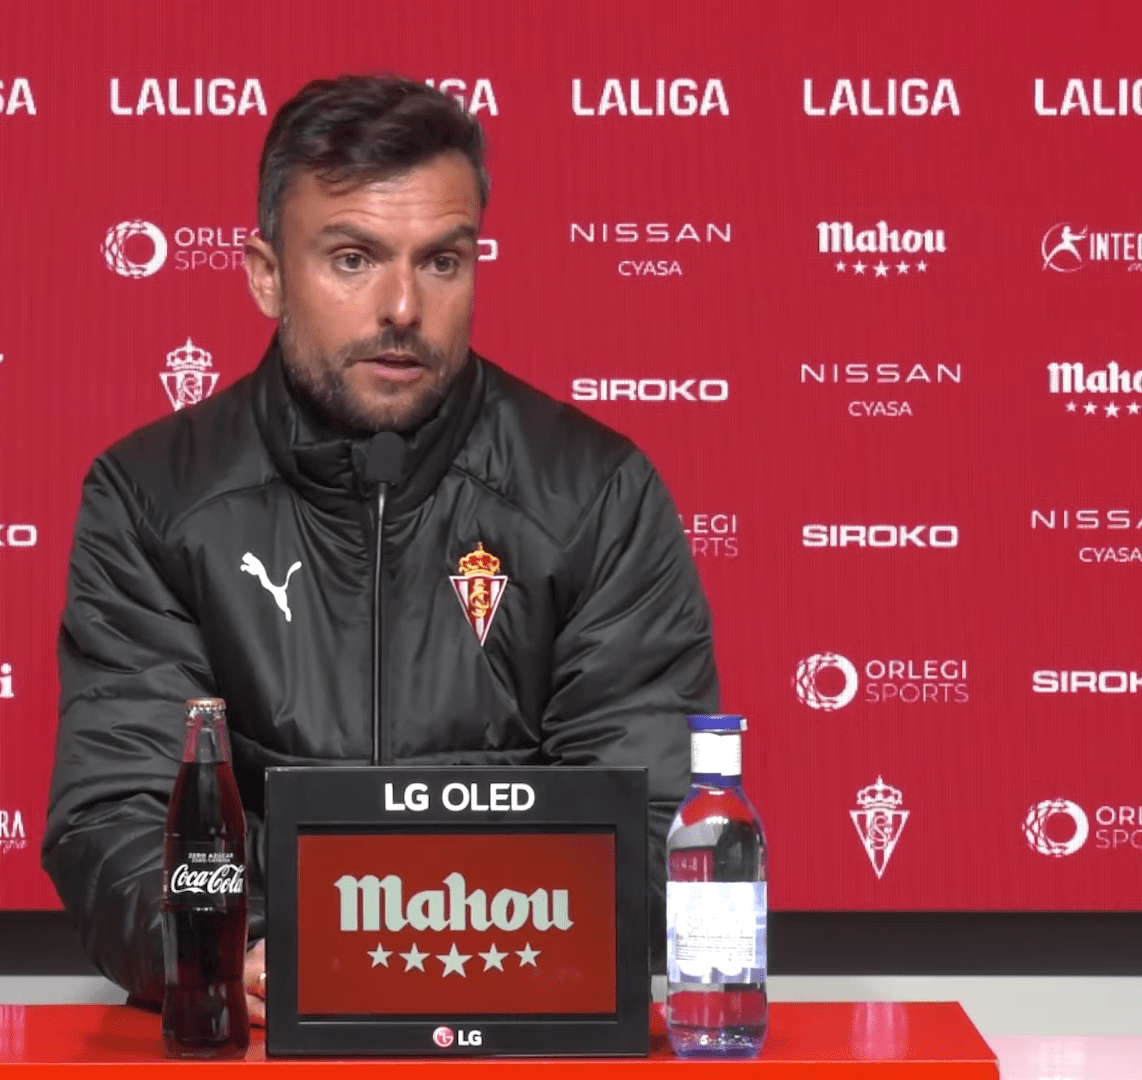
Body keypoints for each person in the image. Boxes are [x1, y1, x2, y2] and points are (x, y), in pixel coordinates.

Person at [44, 75, 718, 1023]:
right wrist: (225, 954)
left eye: (442, 262)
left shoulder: (594, 494)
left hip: (514, 1018)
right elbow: (120, 812)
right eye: (354, 258)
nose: (403, 305)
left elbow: (650, 820)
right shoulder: (154, 497)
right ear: (267, 274)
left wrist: (425, 964)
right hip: (258, 1022)